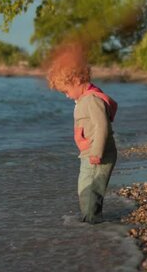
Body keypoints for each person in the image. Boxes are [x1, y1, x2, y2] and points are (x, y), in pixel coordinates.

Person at [47, 58, 118, 224]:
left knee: (91, 190)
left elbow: (102, 127)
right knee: (85, 188)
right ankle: (90, 220)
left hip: (99, 154)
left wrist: (96, 152)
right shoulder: (84, 99)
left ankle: (93, 222)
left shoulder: (92, 100)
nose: (66, 96)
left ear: (77, 81)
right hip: (89, 154)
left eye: (66, 91)